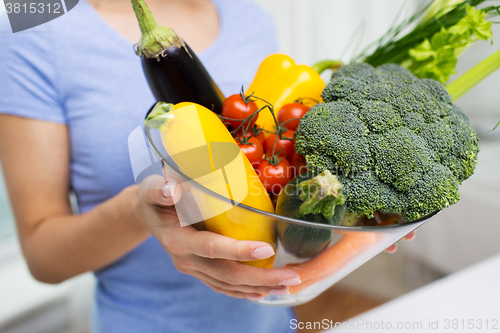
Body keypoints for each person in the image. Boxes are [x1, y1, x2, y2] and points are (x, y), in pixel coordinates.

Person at [0, 0, 412, 331]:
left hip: (273, 319)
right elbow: (42, 258)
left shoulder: (249, 15)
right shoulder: (31, 26)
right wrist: (138, 211)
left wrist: (356, 219)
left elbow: (281, 172)